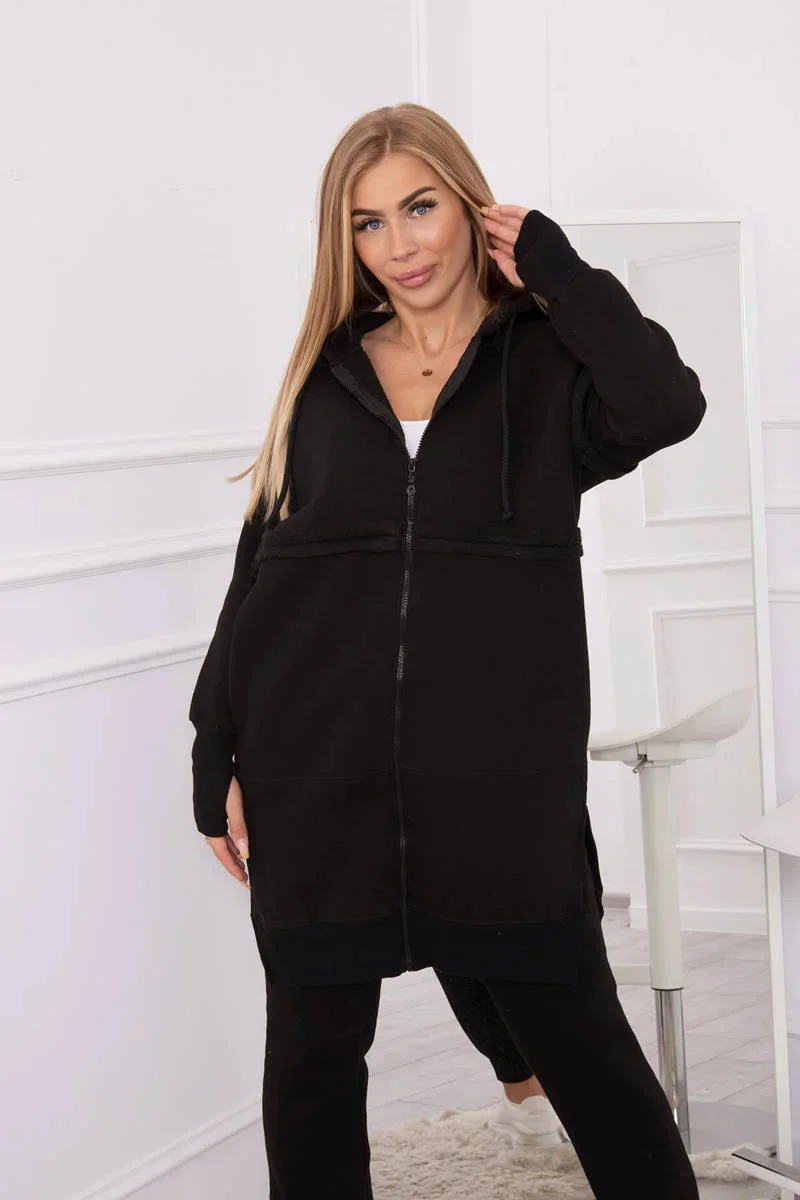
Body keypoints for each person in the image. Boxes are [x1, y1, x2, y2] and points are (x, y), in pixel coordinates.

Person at [188, 102, 706, 1199]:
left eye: (420, 207)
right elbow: (261, 570)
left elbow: (665, 405)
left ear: (471, 206)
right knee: (312, 1071)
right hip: (313, 771)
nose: (401, 245)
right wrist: (214, 746)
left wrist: (561, 275)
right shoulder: (325, 377)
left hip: (498, 783)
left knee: (591, 1063)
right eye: (368, 223)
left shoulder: (548, 361)